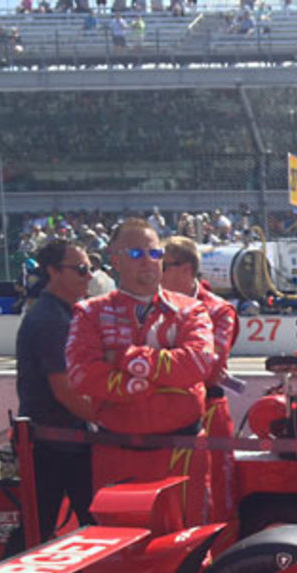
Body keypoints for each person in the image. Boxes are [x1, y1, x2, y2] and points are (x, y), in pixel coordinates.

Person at [65, 219, 215, 526]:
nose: (148, 260)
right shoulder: (90, 312)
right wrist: (144, 386)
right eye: (136, 253)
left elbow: (198, 364)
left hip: (182, 454)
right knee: (120, 544)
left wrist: (126, 358)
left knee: (187, 541)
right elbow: (81, 374)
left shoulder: (191, 309)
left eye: (154, 253)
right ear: (115, 260)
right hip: (117, 455)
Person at [16, 238, 96, 541]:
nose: (89, 275)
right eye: (81, 269)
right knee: (38, 531)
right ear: (53, 271)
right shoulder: (51, 319)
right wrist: (112, 420)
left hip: (61, 440)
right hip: (55, 445)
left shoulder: (62, 313)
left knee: (40, 529)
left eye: (91, 268)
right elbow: (65, 390)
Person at [160, 236, 239, 523]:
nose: (155, 271)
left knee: (214, 496)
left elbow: (208, 370)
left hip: (207, 413)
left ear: (185, 269)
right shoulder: (151, 305)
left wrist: (156, 366)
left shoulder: (218, 309)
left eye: (163, 266)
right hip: (160, 416)